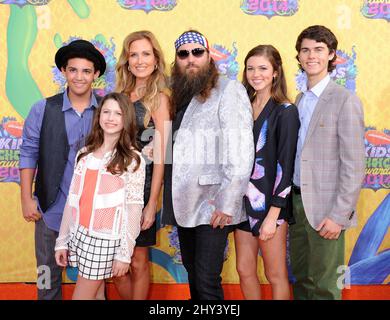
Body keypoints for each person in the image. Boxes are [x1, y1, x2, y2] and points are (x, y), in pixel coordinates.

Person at [161, 30, 254, 300]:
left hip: (214, 204)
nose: (191, 59)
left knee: (206, 280)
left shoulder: (229, 89)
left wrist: (227, 203)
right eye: (183, 54)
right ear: (177, 60)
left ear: (209, 55)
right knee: (193, 274)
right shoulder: (179, 93)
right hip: (186, 204)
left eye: (197, 52)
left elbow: (241, 149)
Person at [19, 39, 106, 300]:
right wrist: (26, 197)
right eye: (73, 70)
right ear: (64, 72)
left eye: (86, 71)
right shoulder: (43, 109)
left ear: (96, 75)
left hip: (93, 211)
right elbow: (28, 152)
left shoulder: (107, 110)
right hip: (51, 207)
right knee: (46, 270)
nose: (79, 77)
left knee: (94, 278)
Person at [290, 25, 365, 300]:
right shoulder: (299, 100)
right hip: (296, 204)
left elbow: (354, 164)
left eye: (319, 50)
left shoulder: (345, 100)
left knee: (325, 286)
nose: (312, 56)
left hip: (327, 207)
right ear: (298, 56)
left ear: (331, 55)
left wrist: (339, 215)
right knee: (302, 279)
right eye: (305, 50)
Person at [54, 92, 146, 300]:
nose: (110, 118)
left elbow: (133, 209)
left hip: (105, 240)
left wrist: (124, 253)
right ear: (99, 116)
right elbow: (73, 200)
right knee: (96, 295)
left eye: (118, 113)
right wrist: (62, 240)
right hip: (80, 235)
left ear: (127, 119)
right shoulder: (84, 154)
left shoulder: (132, 160)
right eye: (106, 112)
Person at [234, 45, 300, 300]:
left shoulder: (285, 111)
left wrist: (274, 214)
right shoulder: (242, 107)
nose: (255, 74)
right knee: (244, 269)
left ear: (275, 72)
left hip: (271, 205)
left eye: (262, 68)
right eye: (250, 68)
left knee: (275, 274)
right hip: (241, 203)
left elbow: (286, 164)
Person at [113, 31, 171, 299]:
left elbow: (162, 155)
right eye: (133, 54)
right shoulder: (119, 95)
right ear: (127, 60)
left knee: (137, 259)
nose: (139, 60)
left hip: (142, 188)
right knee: (113, 262)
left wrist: (152, 203)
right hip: (112, 187)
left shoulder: (160, 99)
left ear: (156, 59)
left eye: (146, 53)